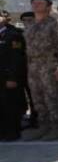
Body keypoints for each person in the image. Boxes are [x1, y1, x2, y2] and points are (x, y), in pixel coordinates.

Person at [23, 0, 58, 140]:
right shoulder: (30, 25)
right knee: (37, 98)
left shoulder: (56, 24)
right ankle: (44, 126)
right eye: (33, 3)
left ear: (48, 6)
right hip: (33, 65)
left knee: (52, 96)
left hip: (50, 65)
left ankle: (56, 128)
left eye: (40, 3)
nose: (36, 5)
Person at [0, 11, 27, 141]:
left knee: (10, 105)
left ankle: (12, 132)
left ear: (5, 19)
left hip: (7, 76)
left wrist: (13, 78)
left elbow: (17, 58)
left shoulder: (13, 36)